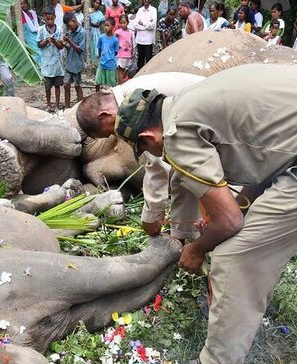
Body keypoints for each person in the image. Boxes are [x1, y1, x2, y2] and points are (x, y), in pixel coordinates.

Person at [107, 65, 297, 364]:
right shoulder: (188, 102)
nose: (153, 155)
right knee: (249, 233)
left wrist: (197, 250)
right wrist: (238, 204)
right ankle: (233, 308)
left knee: (237, 255)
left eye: (145, 151)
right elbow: (269, 161)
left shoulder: (175, 134)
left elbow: (229, 222)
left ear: (148, 137)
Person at [76, 71, 205, 242]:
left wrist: (151, 217)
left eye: (107, 132)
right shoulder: (127, 94)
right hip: (204, 116)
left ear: (105, 115)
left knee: (185, 176)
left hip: (220, 120)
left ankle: (189, 239)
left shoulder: (136, 105)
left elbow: (159, 163)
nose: (113, 136)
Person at [37, 7, 65, 112]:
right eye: (48, 19)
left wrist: (54, 41)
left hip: (57, 63)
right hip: (46, 63)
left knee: (57, 85)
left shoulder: (59, 30)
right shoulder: (41, 30)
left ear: (55, 18)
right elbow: (39, 44)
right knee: (47, 86)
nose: (50, 21)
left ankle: (57, 105)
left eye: (51, 19)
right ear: (44, 18)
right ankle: (48, 105)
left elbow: (61, 46)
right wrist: (46, 41)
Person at [63, 12, 85, 108]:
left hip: (77, 64)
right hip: (69, 63)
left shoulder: (82, 32)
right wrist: (65, 44)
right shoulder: (71, 32)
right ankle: (67, 107)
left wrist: (69, 41)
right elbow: (71, 48)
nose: (69, 28)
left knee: (77, 86)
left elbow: (80, 50)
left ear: (74, 20)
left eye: (69, 25)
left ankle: (80, 107)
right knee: (66, 85)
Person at [132, 0, 157, 70]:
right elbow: (135, 25)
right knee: (140, 59)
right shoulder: (140, 10)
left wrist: (142, 23)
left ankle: (148, 75)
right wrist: (146, 26)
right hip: (140, 39)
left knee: (149, 59)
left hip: (149, 40)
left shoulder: (153, 10)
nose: (145, 0)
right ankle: (139, 76)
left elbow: (152, 26)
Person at [95, 17, 118, 90]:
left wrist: (110, 57)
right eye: (105, 25)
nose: (106, 27)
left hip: (111, 64)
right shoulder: (101, 37)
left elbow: (116, 52)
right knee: (97, 82)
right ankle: (97, 97)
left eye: (108, 26)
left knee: (112, 83)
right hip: (102, 63)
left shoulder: (115, 40)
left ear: (113, 27)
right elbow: (99, 48)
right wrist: (100, 58)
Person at [19, 0, 40, 65]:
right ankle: (37, 68)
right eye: (21, 4)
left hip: (37, 35)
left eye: (24, 3)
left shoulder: (32, 13)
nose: (23, 5)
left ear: (27, 4)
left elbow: (37, 23)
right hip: (29, 37)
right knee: (36, 52)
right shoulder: (21, 16)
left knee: (41, 50)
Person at [114, 14, 133, 85]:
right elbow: (113, 39)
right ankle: (120, 86)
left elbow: (131, 42)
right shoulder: (118, 32)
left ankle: (121, 84)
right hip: (121, 54)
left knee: (124, 70)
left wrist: (132, 52)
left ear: (128, 23)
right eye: (121, 23)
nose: (122, 24)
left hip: (127, 54)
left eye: (124, 23)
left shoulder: (130, 32)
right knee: (120, 70)